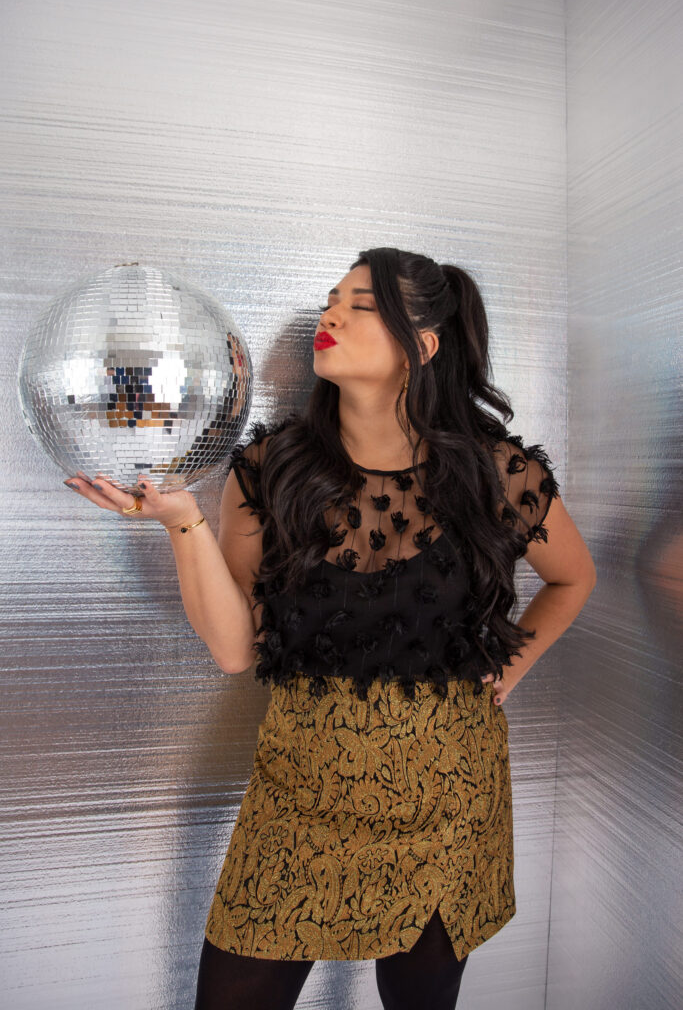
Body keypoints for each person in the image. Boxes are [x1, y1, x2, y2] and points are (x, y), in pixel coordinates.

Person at [63, 247, 597, 1010]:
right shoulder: (269, 468)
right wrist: (180, 521)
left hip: (447, 798)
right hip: (300, 797)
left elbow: (572, 577)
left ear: (424, 345)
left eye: (362, 304)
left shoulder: (496, 471)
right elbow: (232, 648)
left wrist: (509, 668)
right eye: (329, 300)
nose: (331, 316)